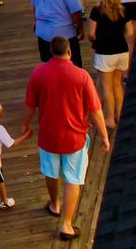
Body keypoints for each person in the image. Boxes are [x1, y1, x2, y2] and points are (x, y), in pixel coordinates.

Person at [23, 35, 111, 241]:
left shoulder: (38, 74)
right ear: (69, 52)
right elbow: (96, 110)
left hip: (48, 136)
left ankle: (55, 204)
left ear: (51, 52)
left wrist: (25, 124)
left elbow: (30, 104)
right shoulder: (81, 76)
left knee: (51, 173)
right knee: (73, 179)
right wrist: (105, 136)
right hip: (74, 138)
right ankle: (66, 225)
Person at [87, 0, 132, 125]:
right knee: (118, 84)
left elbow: (91, 33)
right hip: (122, 51)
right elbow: (130, 32)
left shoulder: (97, 11)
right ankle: (120, 114)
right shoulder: (123, 11)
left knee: (107, 87)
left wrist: (94, 39)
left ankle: (110, 118)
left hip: (105, 52)